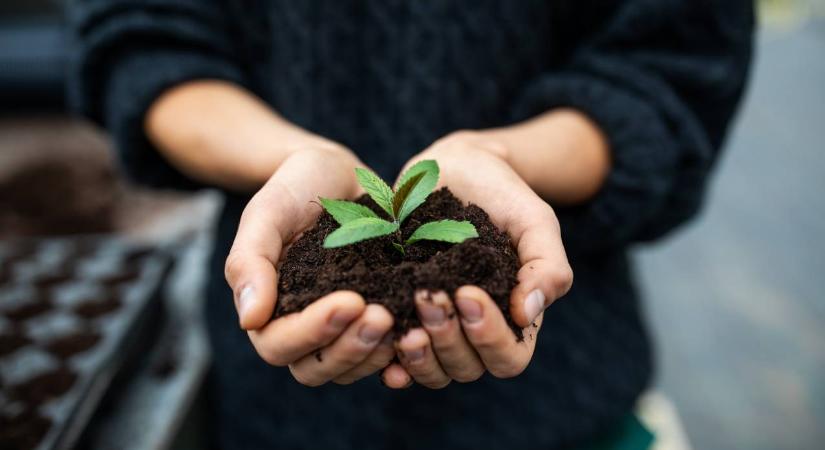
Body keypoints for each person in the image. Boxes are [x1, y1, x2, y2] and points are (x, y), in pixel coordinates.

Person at [69, 1, 753, 448]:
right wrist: (288, 160)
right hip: (270, 418)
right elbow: (143, 40)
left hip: (566, 401)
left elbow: (671, 63)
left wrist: (503, 156)